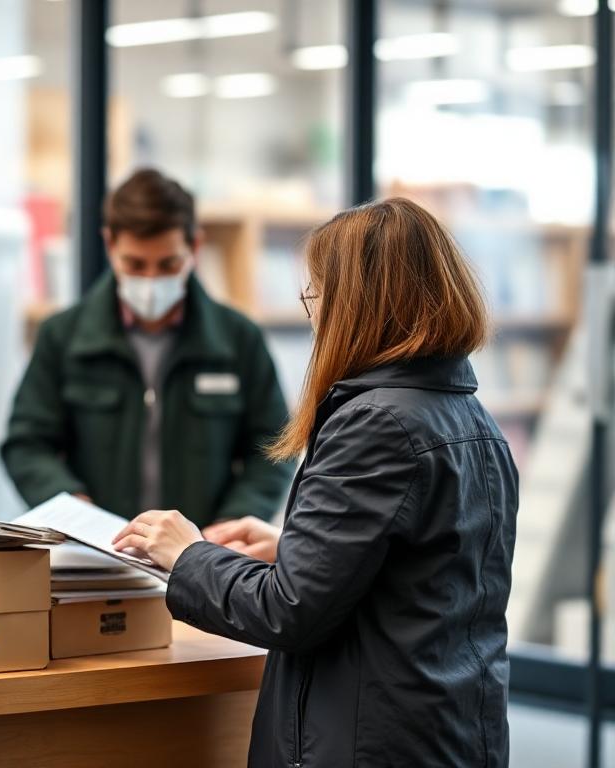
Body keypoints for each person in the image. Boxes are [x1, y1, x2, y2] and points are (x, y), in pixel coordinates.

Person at [114, 197, 517, 767]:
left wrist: (190, 556)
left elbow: (286, 610)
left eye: (318, 293)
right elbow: (429, 573)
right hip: (445, 728)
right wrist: (294, 547)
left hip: (371, 742)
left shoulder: (376, 423)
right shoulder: (471, 420)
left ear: (357, 304)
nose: (315, 313)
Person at [0, 168, 293, 526]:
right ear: (110, 246)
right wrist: (71, 506)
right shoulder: (62, 337)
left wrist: (235, 520)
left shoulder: (239, 339)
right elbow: (26, 445)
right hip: (98, 555)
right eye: (135, 264)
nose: (151, 281)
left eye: (168, 264)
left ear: (194, 248)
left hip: (204, 556)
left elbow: (275, 449)